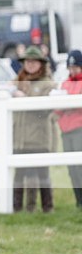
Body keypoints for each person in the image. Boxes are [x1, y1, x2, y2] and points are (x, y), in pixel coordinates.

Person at [12, 45, 56, 213]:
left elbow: (45, 110)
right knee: (19, 175)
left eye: (33, 62)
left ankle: (47, 208)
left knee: (42, 175)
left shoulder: (47, 84)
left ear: (41, 63)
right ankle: (16, 208)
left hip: (39, 137)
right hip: (19, 137)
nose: (29, 65)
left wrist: (26, 98)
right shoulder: (18, 81)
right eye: (27, 62)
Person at [54, 49, 82, 209]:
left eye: (76, 67)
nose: (72, 71)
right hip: (66, 130)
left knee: (80, 167)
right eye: (70, 68)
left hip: (79, 129)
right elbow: (59, 108)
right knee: (71, 169)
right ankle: (78, 200)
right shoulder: (65, 83)